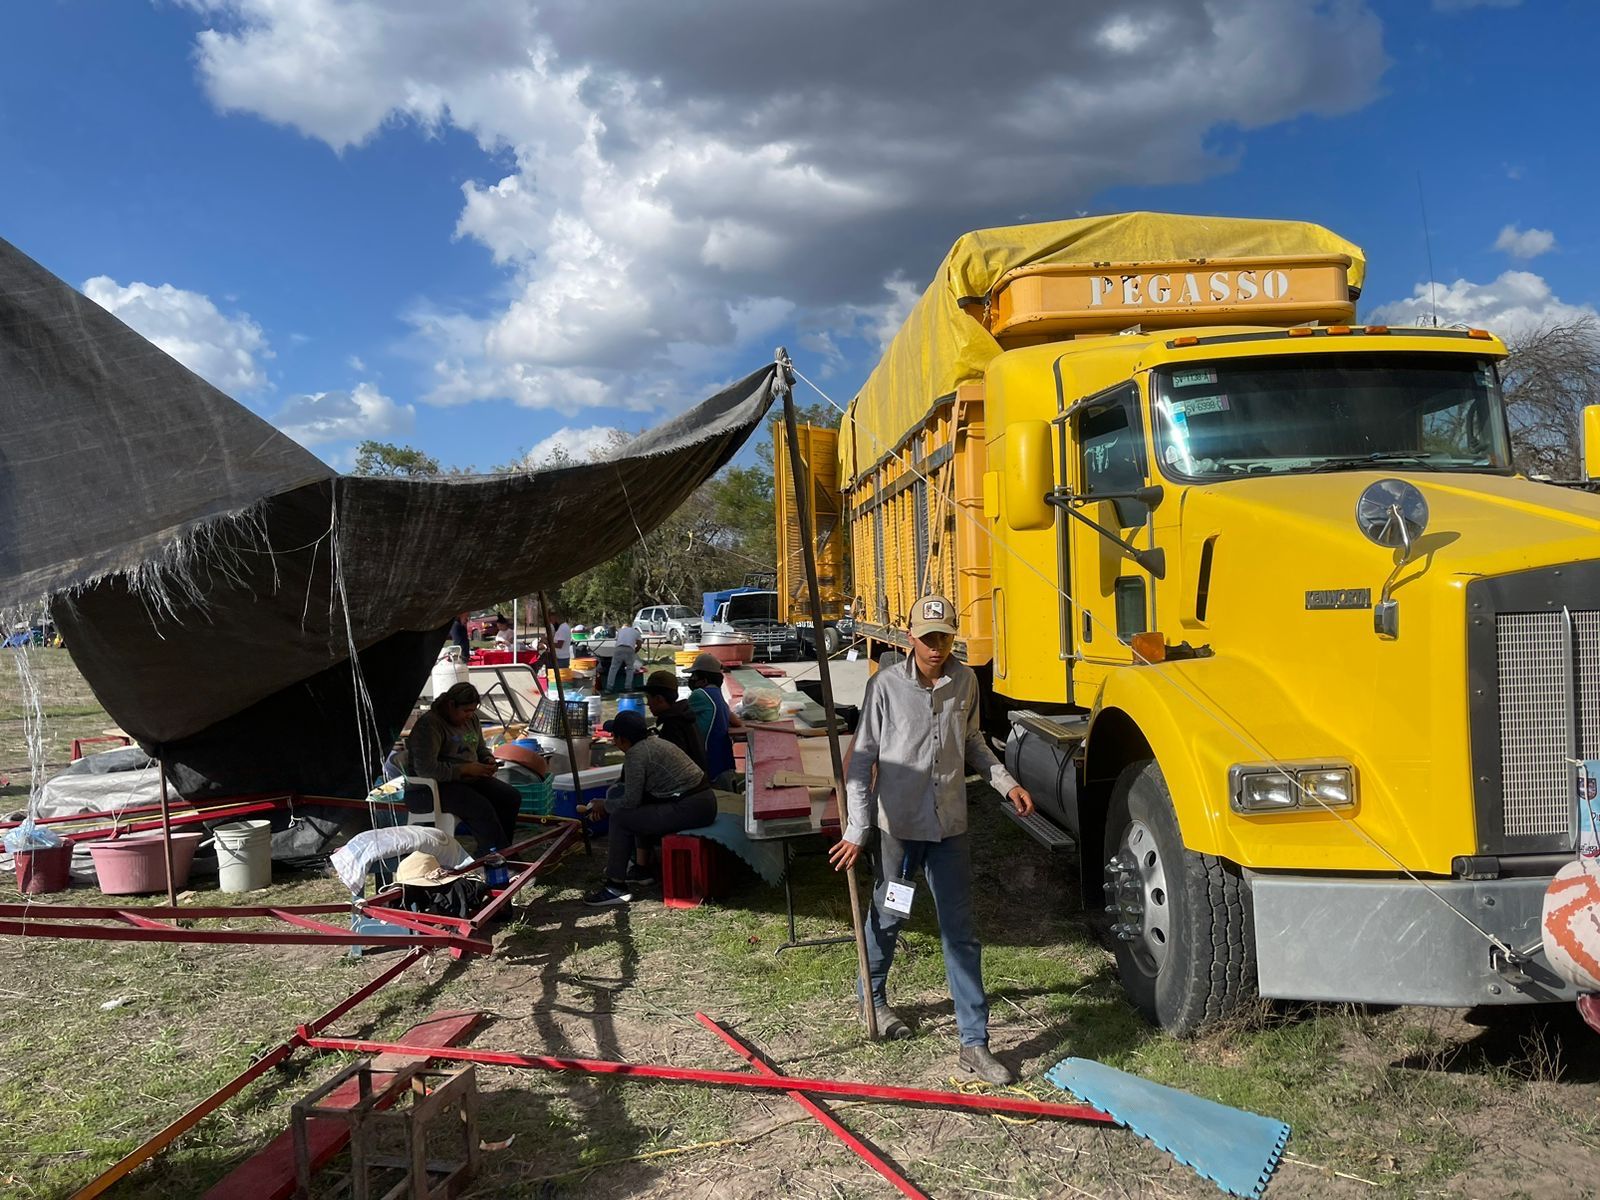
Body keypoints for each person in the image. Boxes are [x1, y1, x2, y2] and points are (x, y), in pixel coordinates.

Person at [827, 594, 1035, 1085]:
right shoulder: (884, 688)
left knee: (960, 931)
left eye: (944, 637)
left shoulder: (965, 681)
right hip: (900, 828)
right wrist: (857, 830)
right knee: (892, 911)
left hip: (950, 828)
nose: (936, 647)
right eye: (928, 638)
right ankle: (873, 1000)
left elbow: (972, 742)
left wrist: (1006, 782)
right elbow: (860, 763)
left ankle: (974, 1042)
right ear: (911, 637)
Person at [584, 710, 717, 906]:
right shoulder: (654, 742)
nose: (613, 741)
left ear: (622, 739)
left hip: (691, 807)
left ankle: (615, 887)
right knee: (639, 810)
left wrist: (605, 806)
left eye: (614, 736)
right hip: (702, 802)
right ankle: (641, 870)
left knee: (621, 818)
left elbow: (629, 802)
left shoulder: (636, 755)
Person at [406, 681, 521, 853]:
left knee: (510, 797)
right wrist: (463, 770)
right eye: (466, 711)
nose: (470, 715)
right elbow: (426, 769)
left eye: (473, 710)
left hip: (468, 779)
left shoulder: (472, 719)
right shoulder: (430, 725)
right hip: (434, 787)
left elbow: (480, 748)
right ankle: (495, 856)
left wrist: (488, 759)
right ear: (451, 705)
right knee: (480, 807)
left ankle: (499, 850)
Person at [685, 651, 741, 789]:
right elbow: (737, 722)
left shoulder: (699, 694)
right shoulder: (717, 694)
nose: (691, 679)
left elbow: (680, 717)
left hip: (709, 763)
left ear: (704, 680)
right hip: (724, 761)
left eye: (694, 676)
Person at [644, 669, 707, 770]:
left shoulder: (672, 725)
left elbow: (672, 765)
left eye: (648, 699)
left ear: (659, 699)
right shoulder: (684, 715)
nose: (647, 704)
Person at [607, 618, 641, 692]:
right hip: (630, 649)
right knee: (630, 669)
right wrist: (634, 652)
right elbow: (639, 645)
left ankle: (609, 687)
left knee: (613, 668)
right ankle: (628, 687)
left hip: (619, 648)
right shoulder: (636, 632)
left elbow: (617, 640)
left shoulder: (620, 631)